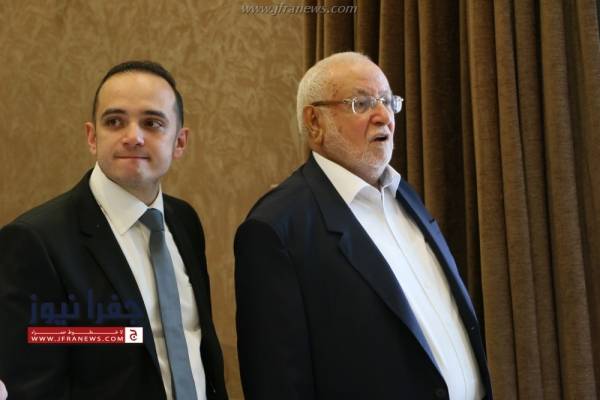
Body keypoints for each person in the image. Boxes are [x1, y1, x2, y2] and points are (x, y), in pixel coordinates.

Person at [234, 52, 493, 400]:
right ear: (314, 122)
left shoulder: (405, 195)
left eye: (388, 101)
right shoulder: (277, 228)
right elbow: (278, 382)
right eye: (362, 103)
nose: (384, 116)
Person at [0, 61, 227, 400]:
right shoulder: (36, 242)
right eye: (115, 121)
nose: (133, 137)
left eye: (152, 123)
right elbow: (33, 387)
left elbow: (198, 346)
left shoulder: (185, 221)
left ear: (179, 142)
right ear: (92, 137)